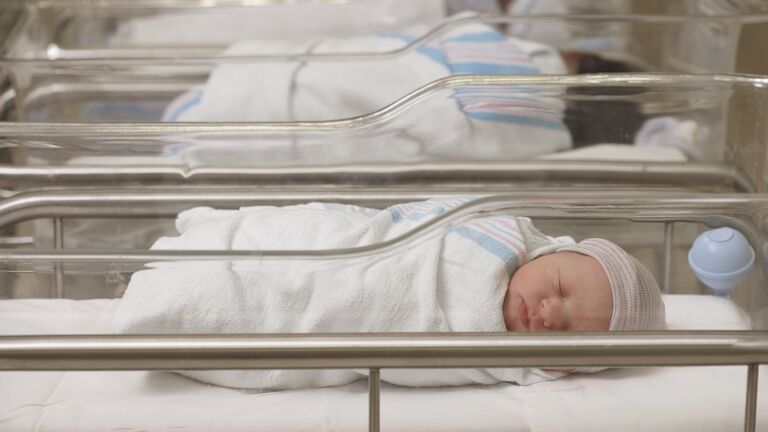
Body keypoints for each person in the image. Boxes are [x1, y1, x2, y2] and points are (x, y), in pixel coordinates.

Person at [113, 198, 666, 389]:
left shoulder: (501, 358)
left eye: (568, 335)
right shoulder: (496, 237)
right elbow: (398, 226)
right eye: (561, 288)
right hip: (352, 248)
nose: (549, 315)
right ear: (548, 252)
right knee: (297, 244)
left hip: (318, 315)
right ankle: (223, 244)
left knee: (258, 304)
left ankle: (180, 302)